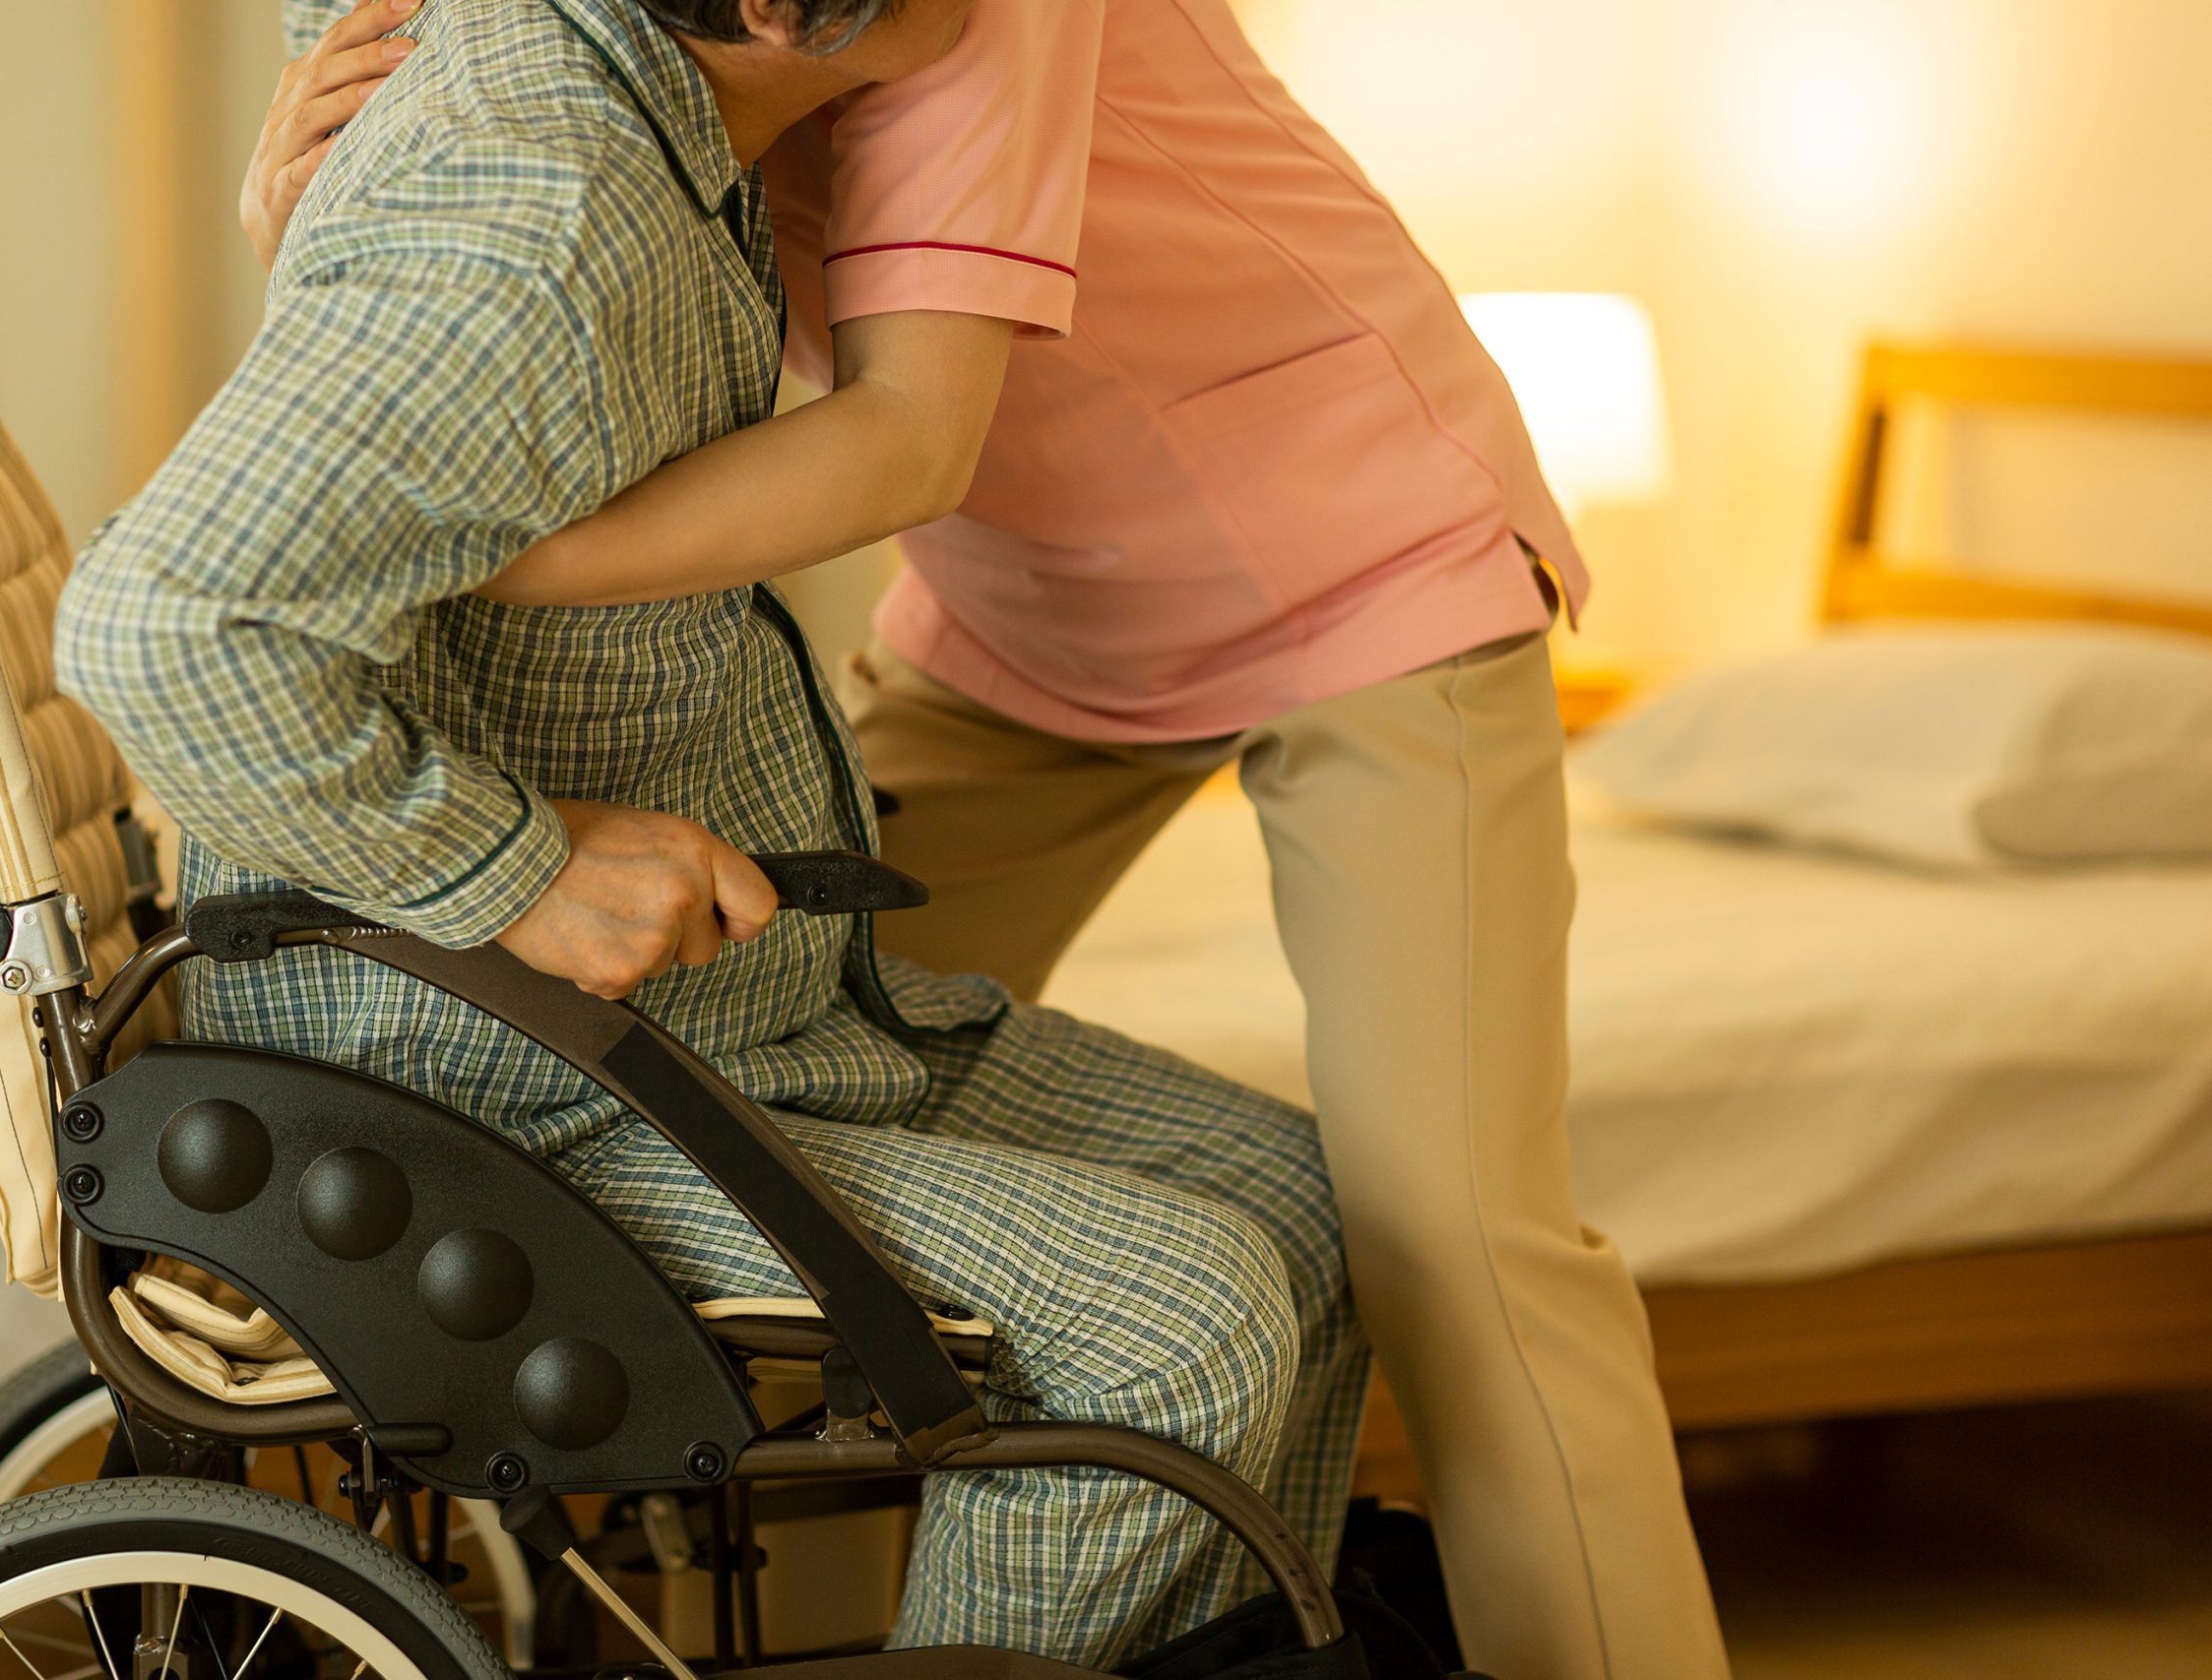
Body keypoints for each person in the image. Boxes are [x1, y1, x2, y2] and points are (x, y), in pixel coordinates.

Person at [247, 3, 1734, 1676]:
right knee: (758, 1091)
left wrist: (424, 545)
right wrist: (296, 182)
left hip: (1352, 560)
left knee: (1453, 1238)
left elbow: (906, 433)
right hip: (1027, 610)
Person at [60, 0, 1370, 1665]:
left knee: (1308, 1212)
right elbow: (159, 625)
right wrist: (516, 877)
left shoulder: (633, 110)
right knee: (1179, 1330)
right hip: (503, 1081)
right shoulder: (542, 210)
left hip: (721, 1023)